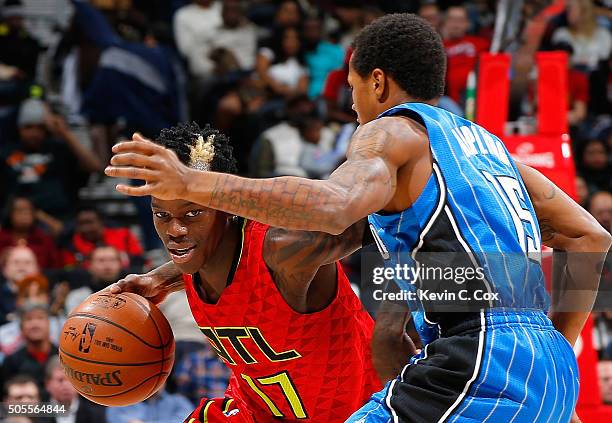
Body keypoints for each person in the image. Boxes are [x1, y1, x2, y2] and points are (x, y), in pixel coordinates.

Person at [106, 14, 612, 422]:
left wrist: (192, 182)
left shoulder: (389, 133)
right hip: (551, 379)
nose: (351, 105)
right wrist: (551, 351)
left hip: (474, 362)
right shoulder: (494, 151)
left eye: (352, 88)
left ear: (378, 82)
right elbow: (588, 236)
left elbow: (333, 208)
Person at [106, 122, 380, 422]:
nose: (176, 230)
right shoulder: (196, 253)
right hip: (252, 411)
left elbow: (367, 222)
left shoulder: (283, 249)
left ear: (225, 208)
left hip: (357, 410)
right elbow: (211, 259)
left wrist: (413, 313)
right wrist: (157, 279)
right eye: (162, 215)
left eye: (193, 213)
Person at [1, 302, 58, 392]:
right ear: (21, 327)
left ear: (49, 324)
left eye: (40, 318)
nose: (35, 324)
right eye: (28, 319)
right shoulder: (11, 362)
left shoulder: (65, 358)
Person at [42, 355, 106, 423]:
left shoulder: (95, 414)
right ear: (47, 384)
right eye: (60, 380)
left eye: (71, 380)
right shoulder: (38, 414)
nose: (66, 385)